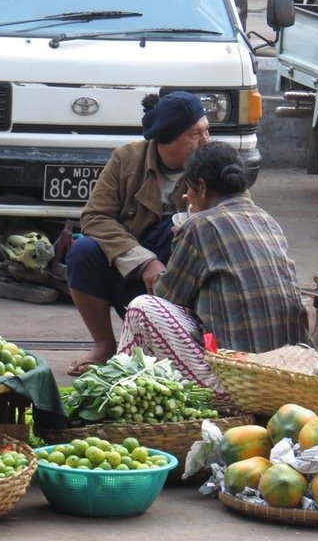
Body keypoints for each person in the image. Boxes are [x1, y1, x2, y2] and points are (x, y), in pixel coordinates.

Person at [116, 140, 310, 398]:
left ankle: (122, 388)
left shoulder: (202, 225)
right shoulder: (268, 221)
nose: (188, 196)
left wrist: (182, 230)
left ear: (202, 188)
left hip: (240, 382)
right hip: (288, 373)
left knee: (142, 308)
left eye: (189, 190)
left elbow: (165, 295)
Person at [65, 91, 210, 376]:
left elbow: (236, 215)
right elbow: (94, 216)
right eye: (195, 134)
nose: (205, 140)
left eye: (207, 130)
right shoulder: (127, 158)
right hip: (131, 268)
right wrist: (143, 260)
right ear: (166, 141)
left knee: (174, 230)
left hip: (184, 274)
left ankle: (188, 346)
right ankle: (105, 346)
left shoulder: (213, 161)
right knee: (82, 252)